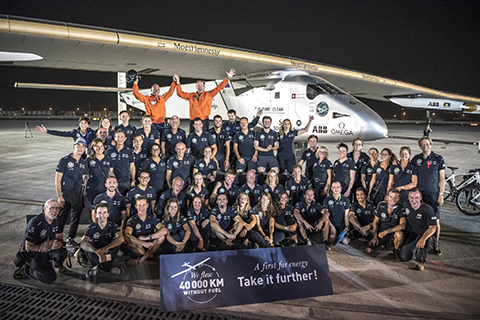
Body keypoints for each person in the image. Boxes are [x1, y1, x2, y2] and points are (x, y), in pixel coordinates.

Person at [14, 199, 67, 284]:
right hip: (33, 252)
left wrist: (49, 244)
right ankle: (26, 269)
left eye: (57, 208)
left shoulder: (57, 220)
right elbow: (29, 247)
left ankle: (56, 265)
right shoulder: (35, 223)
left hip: (48, 248)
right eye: (52, 208)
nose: (55, 211)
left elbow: (60, 240)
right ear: (44, 209)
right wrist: (42, 247)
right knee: (49, 278)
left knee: (62, 252)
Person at [411, 136, 445, 255]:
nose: (426, 146)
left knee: (435, 221)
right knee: (419, 219)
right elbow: (412, 176)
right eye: (423, 144)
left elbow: (442, 179)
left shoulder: (438, 159)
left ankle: (435, 243)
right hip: (419, 195)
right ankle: (421, 241)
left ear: (431, 144)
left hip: (433, 194)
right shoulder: (416, 159)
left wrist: (441, 194)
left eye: (427, 144)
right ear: (420, 146)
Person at [174, 68, 236, 133]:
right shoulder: (191, 96)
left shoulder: (209, 94)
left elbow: (219, 88)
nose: (200, 87)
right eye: (198, 85)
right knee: (192, 138)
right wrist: (178, 81)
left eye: (201, 85)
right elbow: (180, 93)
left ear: (204, 87)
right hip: (193, 120)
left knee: (204, 138)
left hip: (204, 120)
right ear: (196, 87)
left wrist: (228, 78)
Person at [55, 137, 89, 247]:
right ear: (73, 147)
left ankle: (71, 238)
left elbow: (84, 177)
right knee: (62, 217)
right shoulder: (64, 161)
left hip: (78, 194)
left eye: (83, 146)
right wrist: (59, 196)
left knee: (76, 218)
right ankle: (58, 239)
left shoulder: (84, 162)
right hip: (66, 194)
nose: (80, 148)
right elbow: (57, 179)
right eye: (78, 146)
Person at [78, 202, 124, 278]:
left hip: (107, 251)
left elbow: (121, 238)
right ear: (95, 214)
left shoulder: (113, 225)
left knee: (117, 242)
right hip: (96, 255)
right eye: (99, 213)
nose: (102, 216)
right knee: (88, 245)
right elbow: (83, 243)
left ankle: (98, 268)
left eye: (104, 213)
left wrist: (104, 249)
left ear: (108, 214)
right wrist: (97, 251)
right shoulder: (91, 228)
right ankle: (108, 268)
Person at [399, 189, 437, 270]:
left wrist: (423, 239)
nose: (414, 200)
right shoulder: (406, 205)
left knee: (426, 240)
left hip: (425, 234)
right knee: (404, 257)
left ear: (420, 198)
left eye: (416, 198)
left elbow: (433, 228)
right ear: (408, 198)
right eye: (411, 198)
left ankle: (420, 260)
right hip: (413, 234)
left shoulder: (428, 209)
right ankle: (414, 249)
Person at [124, 196, 168, 266]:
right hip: (139, 246)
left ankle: (143, 258)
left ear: (147, 205)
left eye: (143, 205)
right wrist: (142, 243)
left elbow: (164, 230)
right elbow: (127, 235)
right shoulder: (132, 220)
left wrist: (147, 238)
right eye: (139, 205)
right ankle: (148, 256)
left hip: (150, 244)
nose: (142, 208)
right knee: (129, 242)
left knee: (162, 237)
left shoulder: (152, 218)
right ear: (136, 206)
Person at [367, 189, 405, 261]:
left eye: (395, 197)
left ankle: (396, 251)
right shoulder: (381, 206)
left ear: (398, 198)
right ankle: (386, 244)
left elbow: (403, 225)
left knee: (400, 234)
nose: (392, 199)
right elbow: (375, 221)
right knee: (368, 250)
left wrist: (387, 231)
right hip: (381, 232)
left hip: (392, 233)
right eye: (391, 197)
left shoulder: (401, 208)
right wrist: (375, 236)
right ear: (387, 197)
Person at [106, 130, 135, 195]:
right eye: (118, 137)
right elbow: (109, 168)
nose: (120, 139)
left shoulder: (129, 151)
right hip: (112, 182)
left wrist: (133, 180)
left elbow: (132, 166)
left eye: (122, 137)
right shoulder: (109, 151)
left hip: (125, 181)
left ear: (125, 139)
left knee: (124, 201)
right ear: (115, 138)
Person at [323, 181, 351, 247]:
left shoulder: (346, 200)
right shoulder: (327, 199)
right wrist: (331, 226)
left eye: (338, 187)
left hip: (341, 224)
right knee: (331, 240)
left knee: (345, 241)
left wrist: (347, 226)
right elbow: (326, 215)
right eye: (334, 187)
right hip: (332, 224)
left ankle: (340, 237)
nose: (336, 189)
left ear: (341, 188)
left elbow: (346, 215)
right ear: (331, 189)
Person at [86, 138, 113, 204]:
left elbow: (111, 174)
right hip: (92, 188)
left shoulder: (108, 159)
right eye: (97, 146)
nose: (99, 148)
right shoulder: (89, 160)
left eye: (101, 146)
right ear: (93, 148)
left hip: (105, 189)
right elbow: (85, 175)